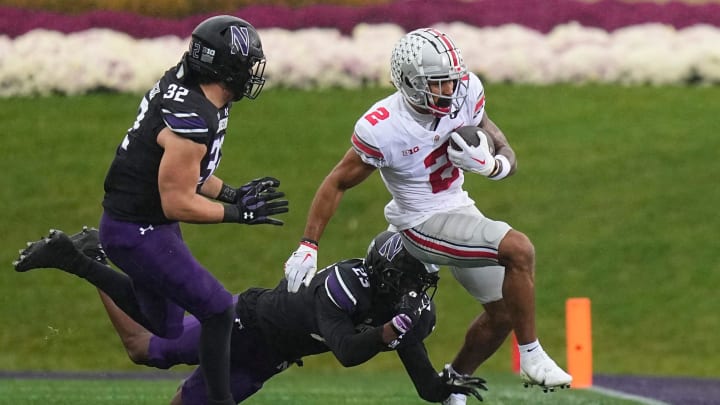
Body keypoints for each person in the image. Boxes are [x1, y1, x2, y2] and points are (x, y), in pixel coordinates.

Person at [282, 28, 572, 404]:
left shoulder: (467, 91)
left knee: (503, 312)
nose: (449, 92)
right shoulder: (384, 126)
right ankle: (531, 356)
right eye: (437, 84)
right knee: (519, 249)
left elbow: (502, 145)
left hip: (458, 206)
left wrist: (494, 166)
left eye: (451, 82)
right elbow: (337, 182)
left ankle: (454, 384)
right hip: (418, 222)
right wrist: (308, 243)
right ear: (408, 83)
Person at [22, 15, 287, 405]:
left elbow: (188, 174)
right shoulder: (193, 117)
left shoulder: (199, 94)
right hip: (137, 229)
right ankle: (219, 400)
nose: (251, 72)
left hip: (141, 223)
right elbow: (177, 200)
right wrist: (239, 214)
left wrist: (231, 194)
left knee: (165, 327)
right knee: (216, 310)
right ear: (224, 67)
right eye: (246, 64)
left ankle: (77, 256)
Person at [14, 227, 487, 404]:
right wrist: (389, 332)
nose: (418, 291)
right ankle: (83, 258)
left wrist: (448, 382)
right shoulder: (342, 286)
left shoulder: (399, 306)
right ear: (385, 276)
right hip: (245, 327)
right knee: (146, 348)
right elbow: (346, 351)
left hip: (267, 360)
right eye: (411, 281)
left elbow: (425, 385)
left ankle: (90, 255)